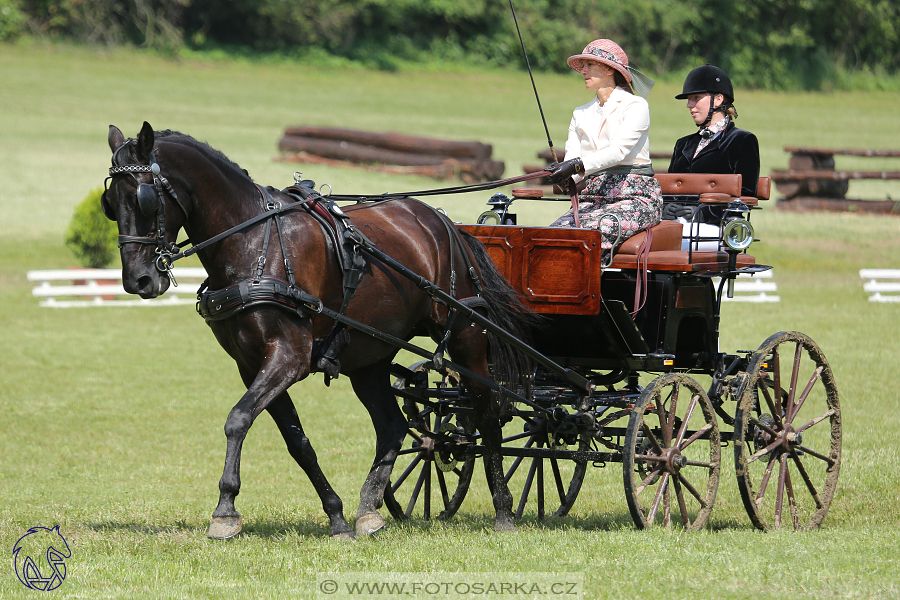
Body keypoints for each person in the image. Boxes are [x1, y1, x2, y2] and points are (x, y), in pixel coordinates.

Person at [546, 39, 661, 260]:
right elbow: (572, 158)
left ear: (609, 69)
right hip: (594, 197)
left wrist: (576, 165)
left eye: (589, 65)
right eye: (583, 66)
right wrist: (563, 174)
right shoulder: (580, 113)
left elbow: (619, 151)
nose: (584, 71)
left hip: (636, 198)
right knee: (551, 237)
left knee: (589, 238)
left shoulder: (636, 106)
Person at [665, 64, 760, 233]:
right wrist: (667, 208)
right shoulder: (683, 144)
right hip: (676, 225)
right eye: (689, 99)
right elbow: (669, 190)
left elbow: (744, 195)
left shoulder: (742, 140)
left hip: (715, 228)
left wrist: (703, 213)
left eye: (696, 97)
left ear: (718, 100)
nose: (689, 104)